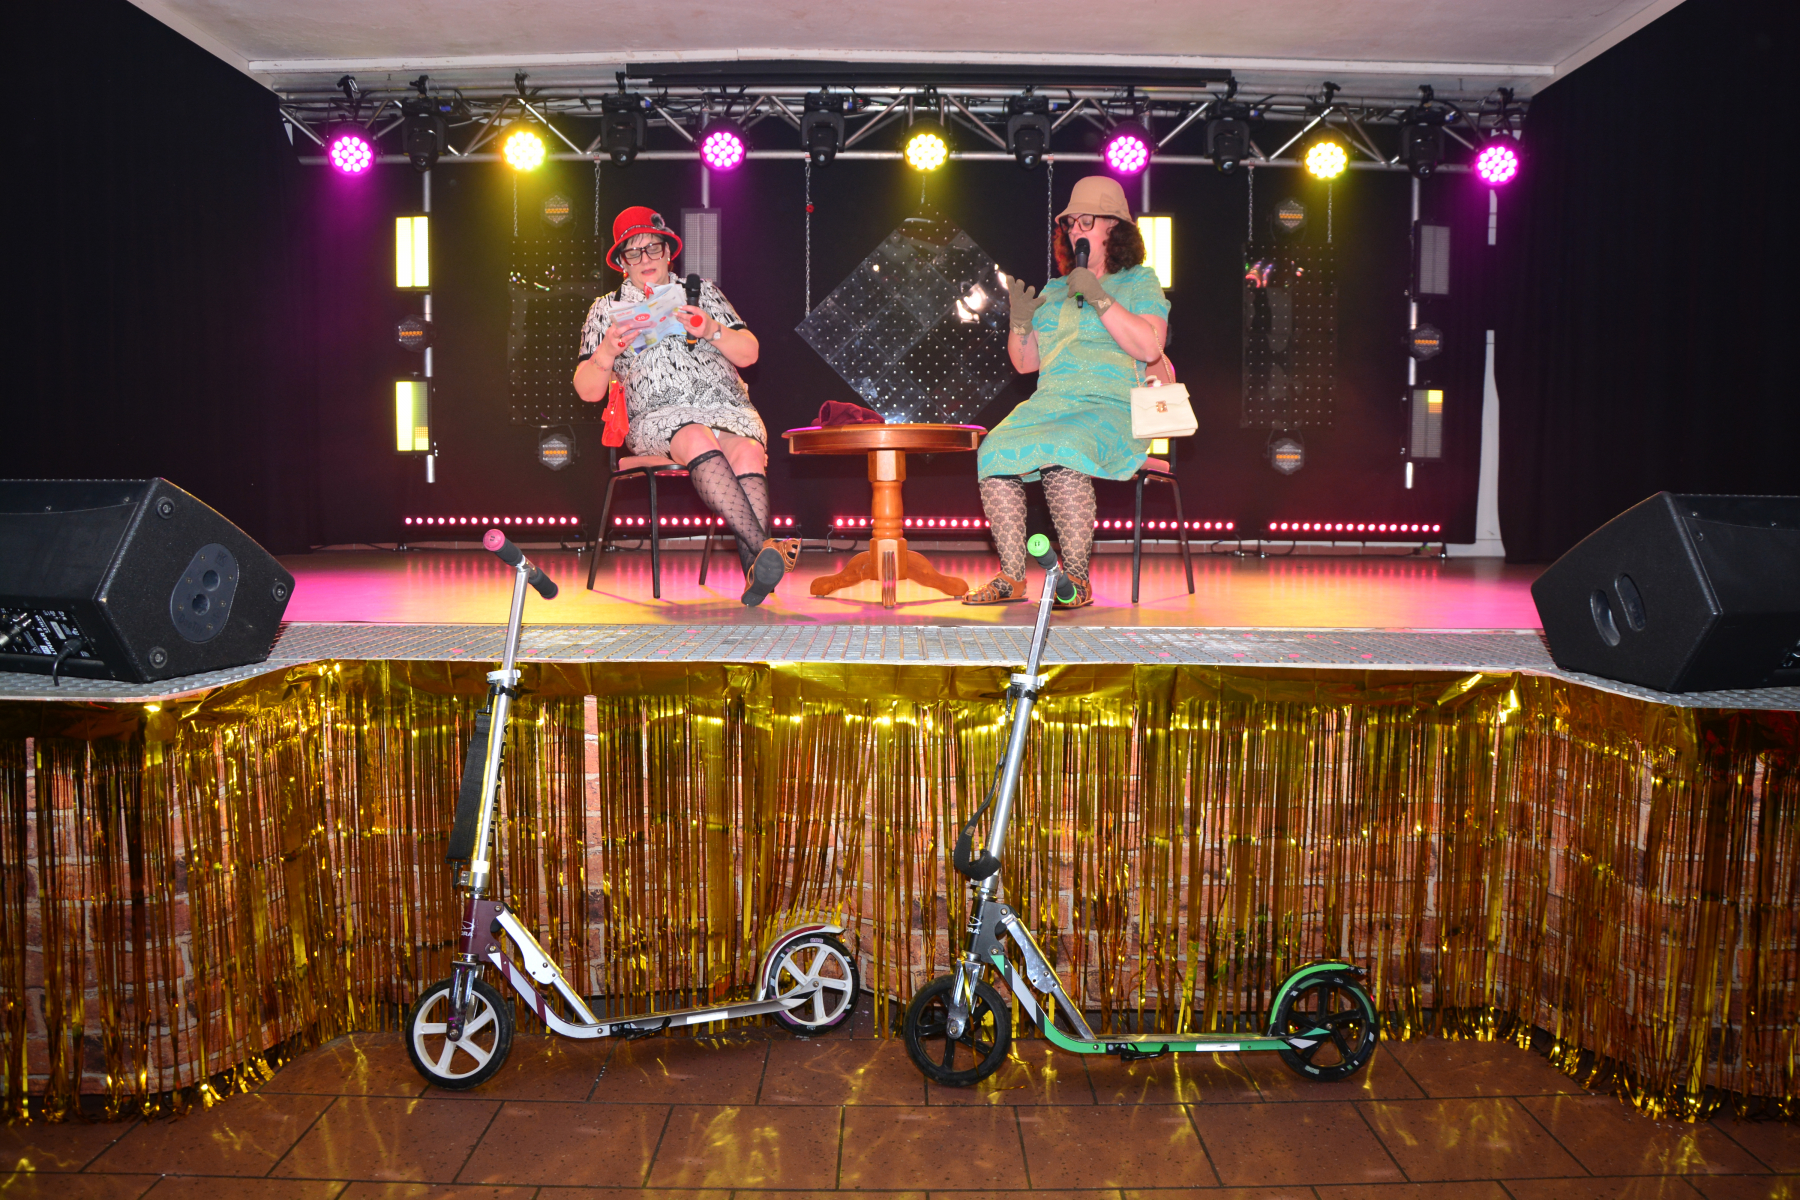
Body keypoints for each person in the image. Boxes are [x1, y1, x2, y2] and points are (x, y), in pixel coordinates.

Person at [573, 206, 798, 606]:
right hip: (659, 416)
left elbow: (749, 354)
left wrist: (710, 329)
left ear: (668, 252)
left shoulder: (703, 292)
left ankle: (758, 569)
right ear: (621, 262)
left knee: (748, 450)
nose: (645, 259)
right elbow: (587, 391)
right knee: (694, 435)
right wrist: (607, 350)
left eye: (653, 248)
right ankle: (765, 549)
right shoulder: (605, 309)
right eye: (633, 252)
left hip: (726, 406)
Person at [964, 175, 1170, 609]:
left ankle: (1076, 578)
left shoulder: (1139, 281)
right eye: (1070, 223)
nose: (1076, 230)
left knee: (1065, 448)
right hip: (1052, 404)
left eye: (1086, 221)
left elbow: (1150, 347)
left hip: (1111, 406)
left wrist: (1098, 296)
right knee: (994, 448)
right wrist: (1020, 321)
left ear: (1114, 227)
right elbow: (1026, 363)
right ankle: (1011, 576)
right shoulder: (1055, 289)